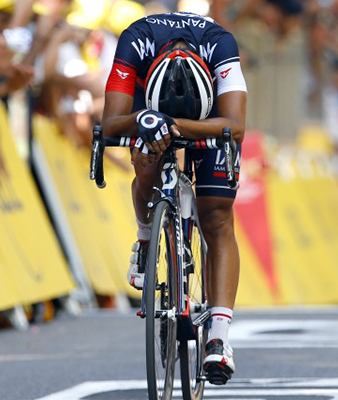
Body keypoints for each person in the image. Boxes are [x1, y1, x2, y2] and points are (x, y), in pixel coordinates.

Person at [101, 11, 247, 385]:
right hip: (147, 104)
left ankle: (219, 336)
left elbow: (236, 125)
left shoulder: (220, 44)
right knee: (144, 160)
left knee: (216, 215)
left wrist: (177, 126)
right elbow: (110, 122)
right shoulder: (136, 40)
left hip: (208, 117)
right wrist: (144, 120)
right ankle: (146, 235)